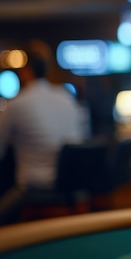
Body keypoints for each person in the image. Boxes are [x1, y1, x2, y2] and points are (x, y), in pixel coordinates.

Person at [0, 42, 90, 225]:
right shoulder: (66, 97)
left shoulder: (17, 104)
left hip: (34, 189)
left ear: (26, 71)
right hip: (74, 186)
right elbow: (84, 137)